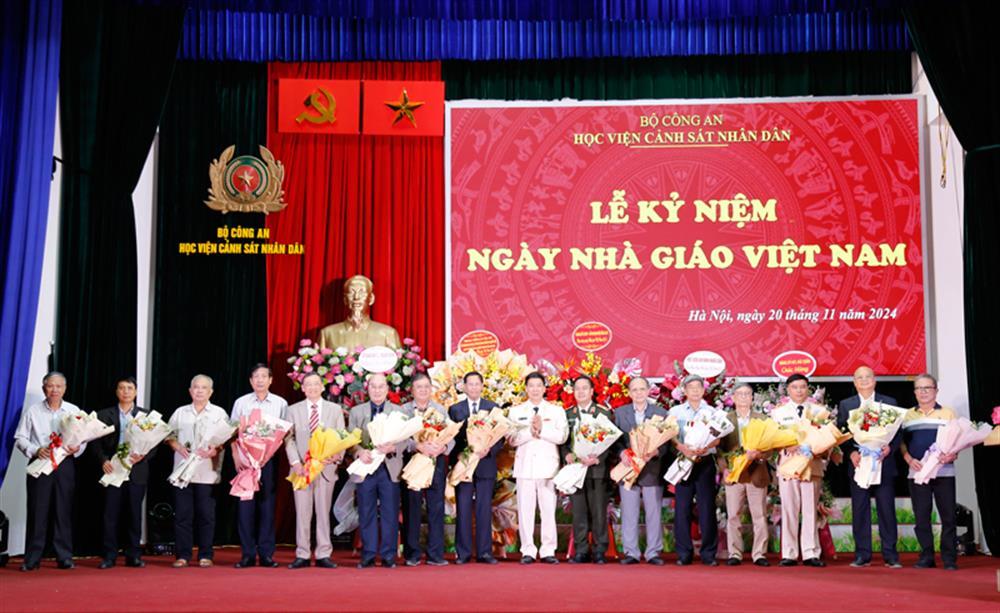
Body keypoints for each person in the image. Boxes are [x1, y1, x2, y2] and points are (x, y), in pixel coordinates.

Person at [14, 372, 86, 571]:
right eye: (50, 386)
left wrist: (77, 448)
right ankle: (32, 559)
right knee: (38, 510)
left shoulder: (73, 410)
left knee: (63, 511)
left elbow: (84, 439)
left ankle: (64, 557)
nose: (54, 390)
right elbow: (20, 438)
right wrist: (35, 450)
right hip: (40, 463)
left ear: (65, 388)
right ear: (44, 387)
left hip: (65, 465)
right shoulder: (33, 411)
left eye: (58, 386)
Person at [836, 366, 901, 569]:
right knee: (860, 509)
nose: (864, 380)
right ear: (854, 382)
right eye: (859, 378)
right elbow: (841, 434)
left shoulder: (889, 402)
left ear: (875, 380)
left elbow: (898, 433)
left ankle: (890, 555)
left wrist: (890, 448)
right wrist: (851, 453)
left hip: (883, 462)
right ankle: (862, 554)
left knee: (886, 509)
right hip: (859, 464)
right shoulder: (847, 404)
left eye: (868, 377)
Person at [166, 374, 228, 568]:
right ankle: (183, 555)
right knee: (183, 514)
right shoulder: (180, 412)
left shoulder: (219, 413)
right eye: (196, 387)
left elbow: (226, 439)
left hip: (207, 471)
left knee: (205, 515)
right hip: (183, 471)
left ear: (211, 392)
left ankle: (205, 554)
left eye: (204, 388)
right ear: (190, 391)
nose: (199, 391)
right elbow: (168, 435)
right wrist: (176, 445)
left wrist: (215, 449)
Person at [230, 364, 288, 569]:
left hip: (268, 461)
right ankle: (246, 554)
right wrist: (237, 457)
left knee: (267, 507)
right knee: (246, 508)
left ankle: (266, 554)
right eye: (256, 377)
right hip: (245, 462)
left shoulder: (280, 403)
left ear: (271, 380)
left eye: (264, 376)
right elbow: (232, 432)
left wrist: (267, 454)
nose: (260, 380)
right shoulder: (241, 403)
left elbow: (284, 434)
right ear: (250, 381)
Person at [348, 373, 409, 568]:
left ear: (387, 388)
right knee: (366, 511)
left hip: (389, 468)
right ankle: (368, 554)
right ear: (367, 389)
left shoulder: (399, 411)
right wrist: (359, 452)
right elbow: (350, 441)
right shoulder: (357, 412)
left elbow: (407, 440)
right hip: (366, 467)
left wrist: (394, 447)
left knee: (390, 512)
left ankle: (389, 555)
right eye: (373, 386)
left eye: (381, 386)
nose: (377, 390)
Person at [286, 372, 345, 569]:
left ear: (322, 387)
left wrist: (336, 456)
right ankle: (302, 553)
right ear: (302, 388)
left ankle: (323, 553)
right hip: (301, 469)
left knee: (323, 511)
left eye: (316, 384)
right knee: (302, 513)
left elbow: (341, 436)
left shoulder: (334, 410)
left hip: (326, 468)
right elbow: (289, 439)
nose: (312, 388)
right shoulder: (292, 410)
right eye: (308, 384)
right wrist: (295, 463)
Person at [508, 372, 568, 564]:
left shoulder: (556, 411)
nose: (534, 389)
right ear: (526, 388)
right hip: (524, 466)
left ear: (544, 388)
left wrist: (542, 430)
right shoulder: (516, 411)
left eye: (538, 385)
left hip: (548, 467)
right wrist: (530, 431)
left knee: (548, 509)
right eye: (531, 385)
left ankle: (548, 549)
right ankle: (528, 550)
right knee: (525, 510)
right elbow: (511, 439)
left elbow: (562, 437)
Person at [95, 377, 155, 569]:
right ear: (116, 391)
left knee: (134, 514)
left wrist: (143, 456)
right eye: (122, 388)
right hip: (113, 470)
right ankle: (109, 556)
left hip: (136, 470)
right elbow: (94, 441)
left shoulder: (146, 416)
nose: (126, 392)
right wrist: (103, 460)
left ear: (136, 392)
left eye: (130, 388)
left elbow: (155, 442)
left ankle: (134, 555)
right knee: (110, 515)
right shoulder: (104, 415)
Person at [901, 374, 959, 570]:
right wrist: (908, 458)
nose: (923, 392)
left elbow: (958, 441)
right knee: (921, 516)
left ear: (936, 390)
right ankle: (927, 556)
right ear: (915, 392)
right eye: (919, 388)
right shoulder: (907, 415)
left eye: (927, 388)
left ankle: (949, 558)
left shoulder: (949, 413)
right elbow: (901, 443)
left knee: (949, 516)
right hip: (917, 473)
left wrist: (952, 455)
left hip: (944, 472)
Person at [772, 374, 827, 567]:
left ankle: (811, 552)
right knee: (789, 509)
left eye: (803, 387)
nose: (799, 390)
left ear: (808, 389)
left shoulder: (820, 411)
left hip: (812, 463)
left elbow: (827, 436)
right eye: (795, 387)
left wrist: (818, 448)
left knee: (811, 509)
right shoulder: (778, 412)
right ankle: (790, 553)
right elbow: (772, 437)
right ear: (788, 390)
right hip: (788, 463)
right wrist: (786, 445)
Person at [448, 371, 502, 564]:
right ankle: (462, 553)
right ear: (464, 386)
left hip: (485, 465)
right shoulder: (455, 409)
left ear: (482, 386)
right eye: (469, 384)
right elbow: (450, 438)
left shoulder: (492, 407)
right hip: (464, 465)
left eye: (476, 384)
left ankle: (485, 552)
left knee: (484, 510)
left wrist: (488, 449)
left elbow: (500, 437)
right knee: (462, 509)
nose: (473, 387)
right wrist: (465, 453)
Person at [614, 377, 669, 566]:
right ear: (629, 393)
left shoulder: (660, 413)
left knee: (653, 512)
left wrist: (656, 451)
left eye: (642, 389)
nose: (638, 393)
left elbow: (667, 443)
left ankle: (653, 552)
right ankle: (631, 552)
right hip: (628, 468)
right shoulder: (620, 413)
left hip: (651, 469)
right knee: (629, 512)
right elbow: (615, 440)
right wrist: (621, 452)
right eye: (634, 390)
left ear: (648, 391)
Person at [669, 375, 721, 566]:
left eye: (698, 387)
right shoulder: (675, 411)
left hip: (705, 461)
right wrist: (681, 447)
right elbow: (670, 435)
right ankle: (684, 553)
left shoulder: (712, 411)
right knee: (682, 508)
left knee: (707, 508)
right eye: (691, 387)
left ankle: (708, 553)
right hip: (683, 461)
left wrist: (708, 446)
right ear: (684, 390)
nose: (695, 391)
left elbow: (718, 437)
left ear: (703, 390)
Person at [561, 376, 614, 564]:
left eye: (585, 388)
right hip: (576, 470)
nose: (581, 392)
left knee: (599, 511)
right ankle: (581, 550)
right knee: (579, 512)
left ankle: (600, 550)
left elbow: (611, 441)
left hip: (597, 470)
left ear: (592, 391)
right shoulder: (567, 414)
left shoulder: (603, 413)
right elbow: (563, 442)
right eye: (577, 389)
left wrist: (598, 458)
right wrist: (566, 455)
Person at [402, 373, 452, 566]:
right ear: (412, 390)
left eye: (426, 387)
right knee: (412, 509)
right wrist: (416, 446)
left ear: (431, 389)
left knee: (436, 508)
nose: (423, 390)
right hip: (413, 463)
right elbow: (398, 437)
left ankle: (435, 554)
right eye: (419, 387)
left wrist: (444, 447)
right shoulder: (404, 410)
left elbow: (451, 435)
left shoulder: (440, 410)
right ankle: (412, 554)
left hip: (435, 463)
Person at [718, 382, 770, 566]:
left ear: (752, 398)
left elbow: (772, 446)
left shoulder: (762, 419)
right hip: (734, 473)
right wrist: (724, 468)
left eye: (747, 394)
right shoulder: (725, 419)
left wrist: (761, 455)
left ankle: (759, 554)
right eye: (739, 394)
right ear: (733, 398)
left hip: (756, 472)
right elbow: (718, 449)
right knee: (733, 515)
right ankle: (735, 553)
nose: (743, 397)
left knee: (759, 515)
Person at [319, 275, 401, 350]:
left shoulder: (387, 333)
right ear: (345, 300)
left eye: (361, 292)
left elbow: (397, 363)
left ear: (371, 298)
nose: (356, 297)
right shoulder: (327, 333)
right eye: (351, 292)